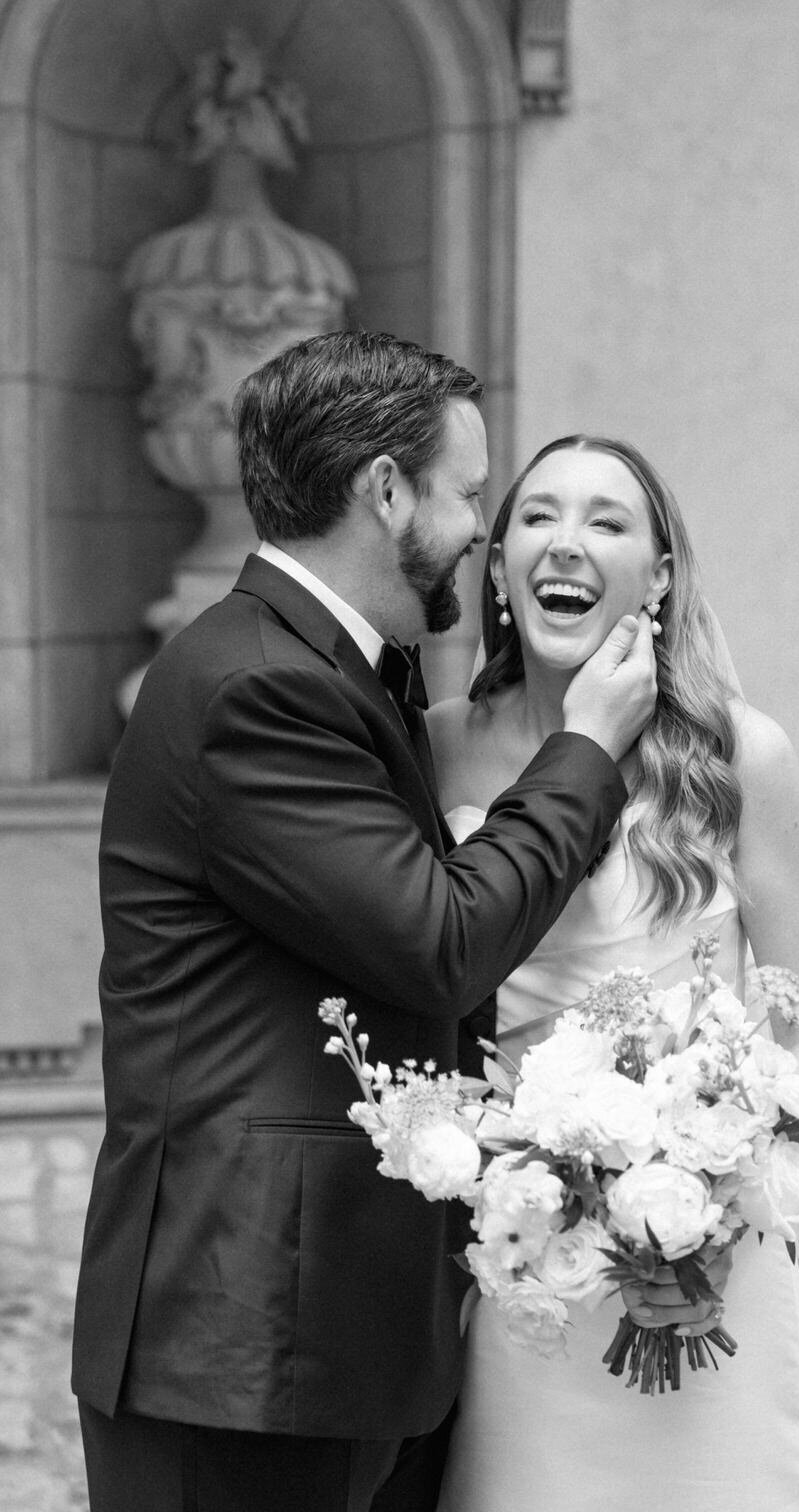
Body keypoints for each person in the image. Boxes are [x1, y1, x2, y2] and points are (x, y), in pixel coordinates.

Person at [70, 334, 661, 1512]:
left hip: (339, 1337)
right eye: (473, 496)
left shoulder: (341, 667)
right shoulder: (258, 685)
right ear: (387, 491)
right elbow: (438, 945)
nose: (482, 534)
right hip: (243, 1349)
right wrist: (585, 749)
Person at [426, 435, 799, 1512]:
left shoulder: (741, 755)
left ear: (662, 573)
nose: (566, 543)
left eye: (607, 520)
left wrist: (711, 1228)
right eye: (537, 517)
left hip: (702, 1266)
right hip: (518, 1262)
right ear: (498, 567)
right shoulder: (435, 747)